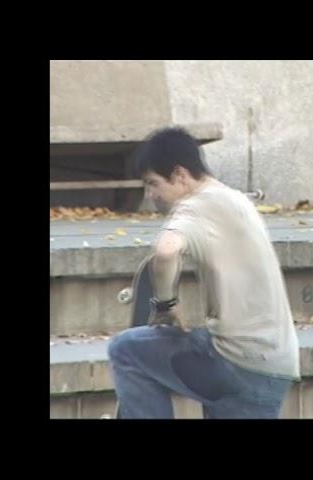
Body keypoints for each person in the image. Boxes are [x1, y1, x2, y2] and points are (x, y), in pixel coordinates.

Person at [108, 127, 300, 418]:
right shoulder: (236, 199)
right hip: (276, 365)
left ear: (180, 175)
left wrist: (165, 305)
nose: (150, 195)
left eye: (153, 183)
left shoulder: (195, 207)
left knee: (126, 351)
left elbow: (166, 249)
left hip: (234, 363)